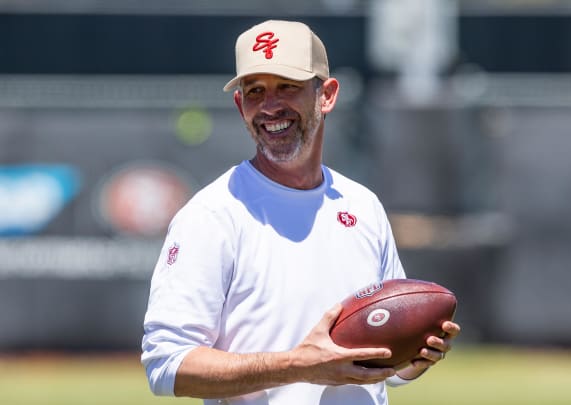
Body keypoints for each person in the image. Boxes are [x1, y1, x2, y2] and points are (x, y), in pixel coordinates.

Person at [141, 19, 460, 405]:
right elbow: (166, 364)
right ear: (240, 105)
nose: (271, 105)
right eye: (255, 90)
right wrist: (299, 365)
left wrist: (417, 356)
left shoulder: (362, 206)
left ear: (326, 95)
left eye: (287, 86)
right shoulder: (211, 215)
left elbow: (387, 367)